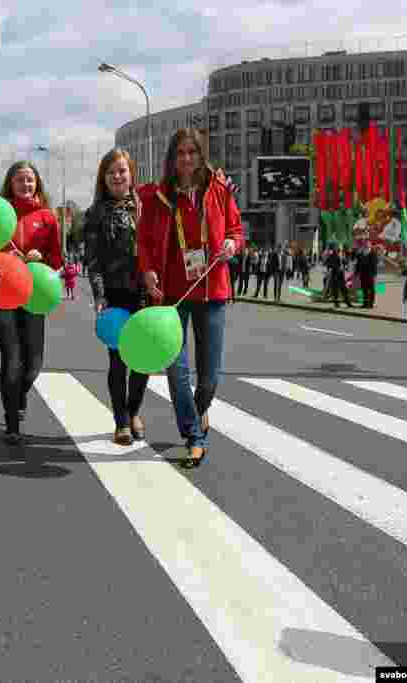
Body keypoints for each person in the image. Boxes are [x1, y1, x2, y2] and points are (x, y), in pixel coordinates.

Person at [138, 128, 243, 467]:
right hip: (173, 294)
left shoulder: (220, 189)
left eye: (192, 152)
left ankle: (199, 411)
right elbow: (144, 242)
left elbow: (236, 230)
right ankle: (194, 436)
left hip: (213, 290)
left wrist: (232, 244)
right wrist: (148, 270)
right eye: (180, 152)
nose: (186, 158)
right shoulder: (159, 197)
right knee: (176, 370)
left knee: (209, 377)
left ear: (201, 155)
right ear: (172, 157)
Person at [0, 160, 63, 443]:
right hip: (4, 294)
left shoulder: (47, 217)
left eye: (30, 179)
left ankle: (18, 396)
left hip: (35, 294)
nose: (25, 184)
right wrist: (2, 257)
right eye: (19, 179)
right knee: (12, 359)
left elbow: (57, 259)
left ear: (37, 184)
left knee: (33, 364)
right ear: (11, 183)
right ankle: (12, 424)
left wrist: (40, 258)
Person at [85, 148, 149, 446]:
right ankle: (121, 422)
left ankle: (133, 411)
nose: (117, 176)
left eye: (122, 170)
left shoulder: (146, 206)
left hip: (146, 292)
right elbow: (93, 260)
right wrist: (100, 295)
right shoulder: (95, 213)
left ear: (131, 173)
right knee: (118, 360)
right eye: (111, 172)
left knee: (143, 360)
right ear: (104, 178)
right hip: (114, 294)